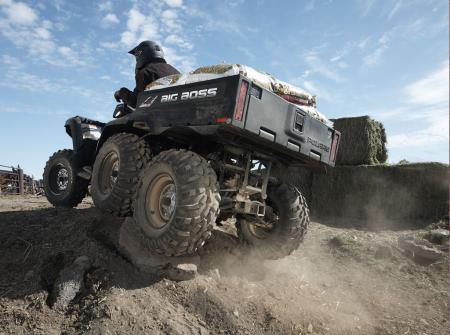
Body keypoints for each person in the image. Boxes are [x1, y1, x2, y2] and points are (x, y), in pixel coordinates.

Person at [114, 41, 180, 108]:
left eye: (137, 56)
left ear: (141, 54)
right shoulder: (175, 70)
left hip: (157, 114)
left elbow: (136, 101)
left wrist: (121, 92)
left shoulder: (145, 71)